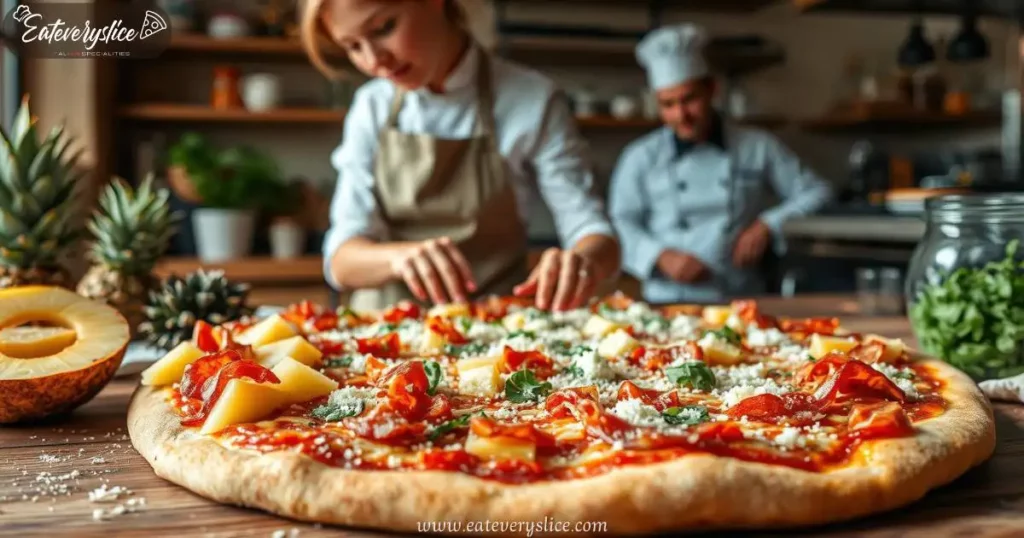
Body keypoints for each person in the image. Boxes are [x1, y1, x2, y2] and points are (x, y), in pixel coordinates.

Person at [302, 0, 620, 312]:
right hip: (383, 332)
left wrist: (583, 261)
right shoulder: (371, 106)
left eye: (384, 28)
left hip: (497, 331)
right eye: (353, 46)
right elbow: (341, 261)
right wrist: (398, 258)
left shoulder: (531, 99)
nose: (374, 61)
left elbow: (594, 233)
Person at [608, 23, 832, 304]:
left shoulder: (757, 145)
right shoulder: (639, 156)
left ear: (711, 89)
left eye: (689, 99)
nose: (681, 115)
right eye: (668, 104)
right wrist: (658, 255)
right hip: (666, 301)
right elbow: (620, 222)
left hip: (740, 298)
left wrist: (767, 225)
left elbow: (818, 191)